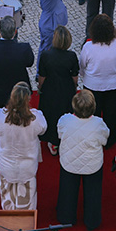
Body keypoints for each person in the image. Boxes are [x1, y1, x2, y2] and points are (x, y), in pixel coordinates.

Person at [0, 15, 34, 154]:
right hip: (17, 92)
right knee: (20, 116)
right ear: (15, 32)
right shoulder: (24, 49)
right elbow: (30, 62)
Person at [0, 82, 47, 209]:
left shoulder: (0, 115)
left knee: (6, 193)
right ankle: (27, 220)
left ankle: (9, 216)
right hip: (27, 165)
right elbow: (43, 129)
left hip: (5, 163)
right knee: (28, 196)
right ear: (28, 99)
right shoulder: (36, 118)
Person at [56, 89, 109, 230]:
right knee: (93, 193)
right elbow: (104, 140)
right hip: (92, 164)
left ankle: (66, 217)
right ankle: (92, 220)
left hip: (69, 162)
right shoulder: (99, 123)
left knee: (67, 191)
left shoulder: (65, 120)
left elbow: (60, 134)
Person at [79, 13, 116, 148]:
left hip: (92, 85)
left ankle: (93, 137)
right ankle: (110, 139)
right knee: (112, 113)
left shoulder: (88, 47)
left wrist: (85, 75)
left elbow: (82, 65)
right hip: (115, 85)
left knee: (92, 114)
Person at [38, 26, 79, 154]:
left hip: (50, 89)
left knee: (50, 113)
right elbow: (75, 77)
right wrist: (74, 88)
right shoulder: (72, 56)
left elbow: (42, 76)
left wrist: (40, 88)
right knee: (65, 112)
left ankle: (52, 140)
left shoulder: (46, 55)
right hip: (66, 89)